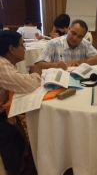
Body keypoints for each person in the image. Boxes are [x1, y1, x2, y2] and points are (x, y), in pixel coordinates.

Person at [0, 30, 42, 174]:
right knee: (12, 139)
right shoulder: (1, 65)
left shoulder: (6, 63)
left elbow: (18, 80)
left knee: (18, 132)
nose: (25, 49)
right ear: (11, 49)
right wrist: (36, 73)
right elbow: (29, 85)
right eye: (22, 45)